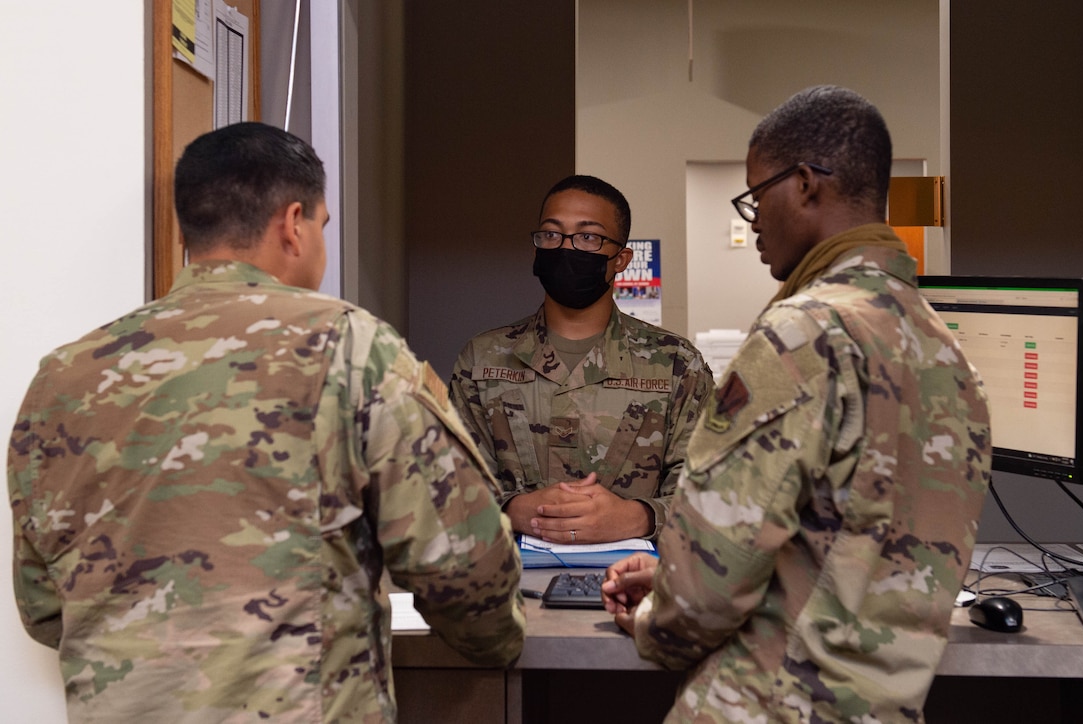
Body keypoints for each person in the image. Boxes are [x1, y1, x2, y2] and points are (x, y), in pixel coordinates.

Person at [7, 122, 525, 723]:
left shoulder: (63, 376)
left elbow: (45, 603)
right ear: (294, 224)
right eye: (323, 228)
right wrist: (500, 641)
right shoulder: (349, 347)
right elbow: (464, 570)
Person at [602, 86, 992, 722]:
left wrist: (657, 609)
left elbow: (702, 600)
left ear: (806, 184)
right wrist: (678, 577)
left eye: (757, 195)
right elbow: (853, 558)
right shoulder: (947, 351)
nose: (753, 218)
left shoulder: (801, 334)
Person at [449, 175, 714, 545]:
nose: (565, 248)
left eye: (588, 237)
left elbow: (711, 494)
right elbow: (449, 489)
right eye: (552, 234)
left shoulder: (676, 364)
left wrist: (638, 517)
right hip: (509, 585)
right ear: (537, 248)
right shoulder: (482, 359)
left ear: (620, 259)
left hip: (636, 586)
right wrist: (512, 510)